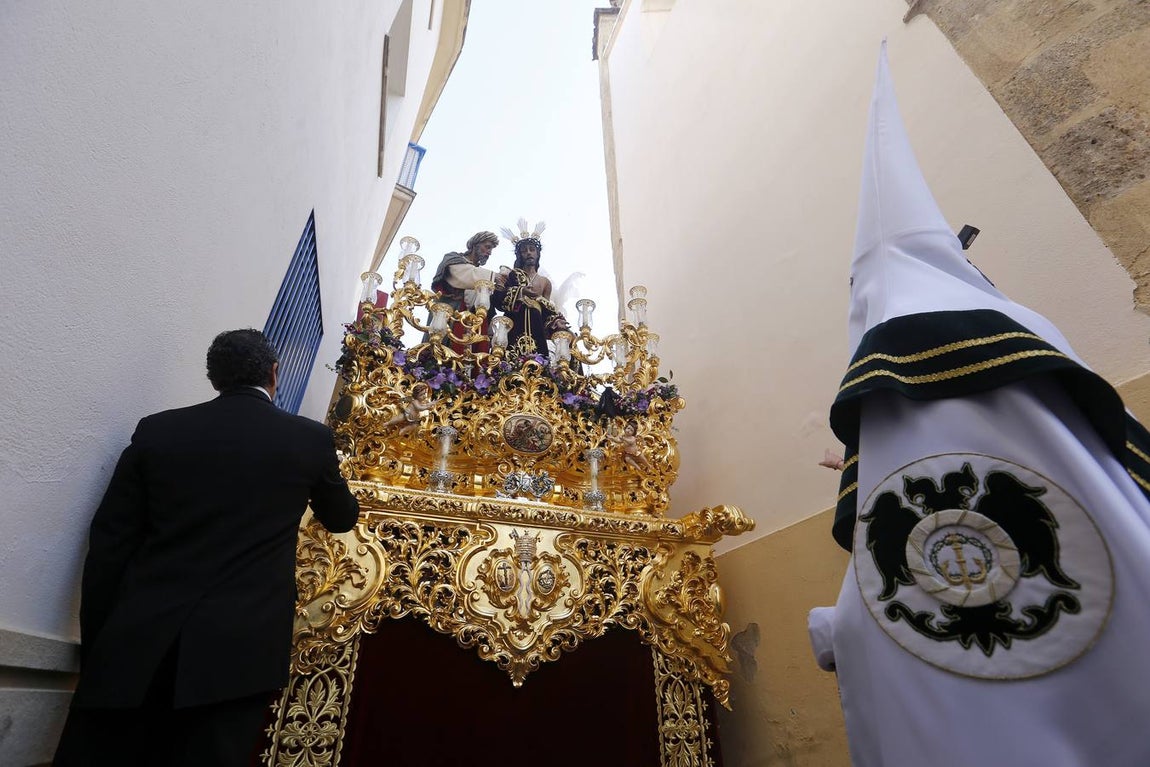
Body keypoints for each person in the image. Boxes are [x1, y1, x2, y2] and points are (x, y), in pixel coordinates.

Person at [54, 329, 360, 767]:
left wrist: (101, 641)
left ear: (215, 379)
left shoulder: (159, 430)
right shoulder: (308, 439)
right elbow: (341, 517)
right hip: (238, 650)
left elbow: (110, 544)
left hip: (139, 639)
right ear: (275, 373)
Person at [494, 222, 571, 356]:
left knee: (539, 359)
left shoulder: (545, 282)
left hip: (536, 324)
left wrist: (556, 321)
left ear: (537, 253)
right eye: (524, 250)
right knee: (512, 358)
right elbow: (499, 299)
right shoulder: (512, 274)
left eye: (532, 249)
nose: (528, 253)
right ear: (520, 255)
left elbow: (547, 311)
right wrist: (521, 292)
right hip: (515, 320)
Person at [430, 231, 503, 353]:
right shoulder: (453, 259)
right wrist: (493, 277)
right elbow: (465, 275)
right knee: (441, 352)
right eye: (487, 247)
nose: (489, 252)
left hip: (470, 326)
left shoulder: (482, 275)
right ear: (475, 245)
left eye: (491, 249)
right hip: (450, 317)